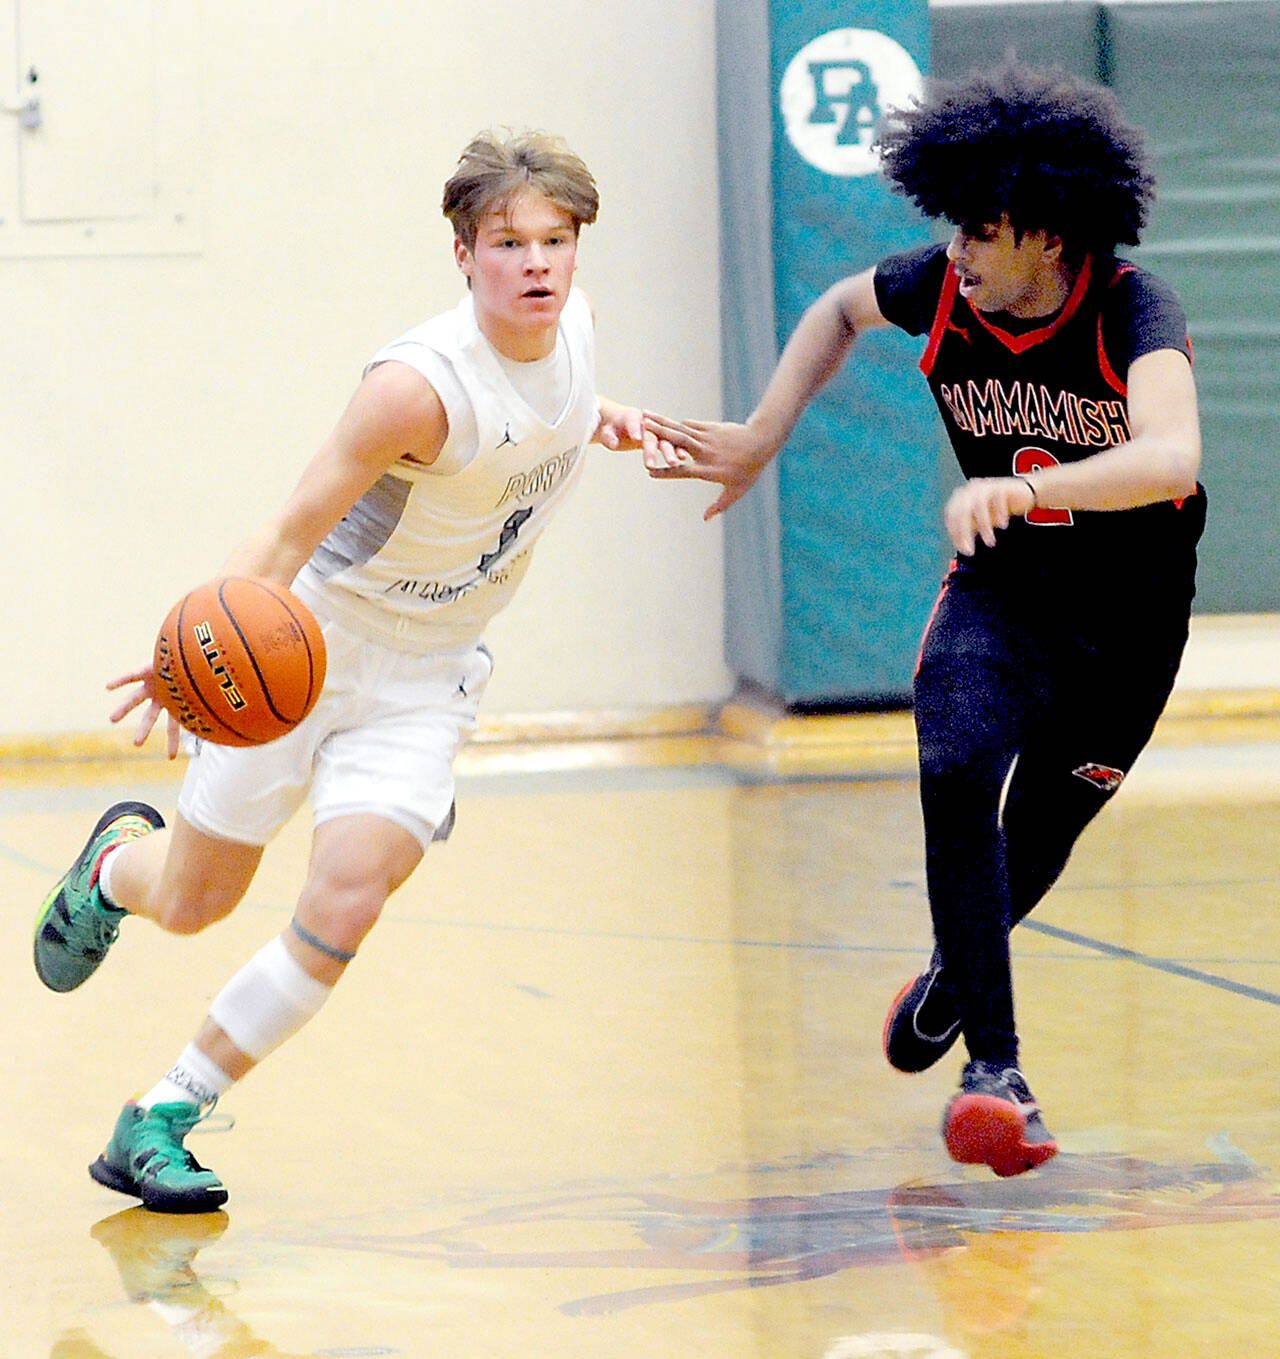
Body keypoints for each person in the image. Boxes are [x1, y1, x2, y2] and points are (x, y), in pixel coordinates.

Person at [35, 129, 668, 1212]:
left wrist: (600, 421)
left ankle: (166, 1111)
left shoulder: (578, 332)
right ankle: (113, 869)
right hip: (310, 649)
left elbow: (541, 416)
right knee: (191, 902)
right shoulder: (413, 388)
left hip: (430, 674)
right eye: (508, 242)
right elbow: (290, 532)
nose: (536, 263)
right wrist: (190, 658)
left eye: (555, 240)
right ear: (462, 252)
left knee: (347, 898)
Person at [644, 62, 1206, 1177]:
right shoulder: (942, 287)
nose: (957, 251)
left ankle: (951, 980)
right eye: (954, 226)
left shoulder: (1129, 307)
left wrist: (1031, 487)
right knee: (952, 769)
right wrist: (761, 432)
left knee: (1029, 846)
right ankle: (995, 1072)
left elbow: (1172, 456)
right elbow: (836, 308)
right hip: (1002, 590)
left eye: (982, 231)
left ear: (1048, 235)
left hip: (1128, 628)